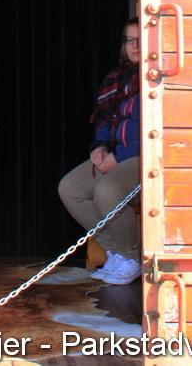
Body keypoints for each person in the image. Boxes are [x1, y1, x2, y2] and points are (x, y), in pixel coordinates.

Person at [57, 17, 142, 285]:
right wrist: (99, 147)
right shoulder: (116, 78)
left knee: (106, 190)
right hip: (114, 152)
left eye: (141, 40)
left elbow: (155, 132)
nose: (135, 46)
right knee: (69, 188)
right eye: (130, 40)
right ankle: (116, 252)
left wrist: (120, 156)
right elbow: (105, 121)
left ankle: (133, 257)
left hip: (143, 156)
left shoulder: (156, 78)